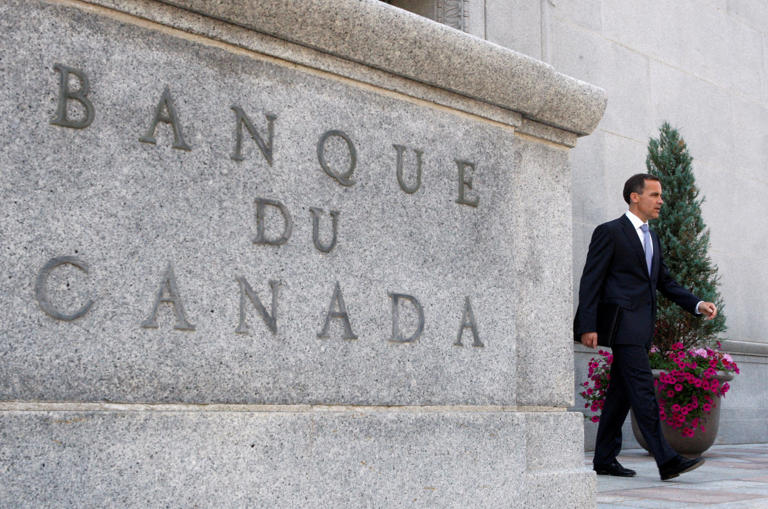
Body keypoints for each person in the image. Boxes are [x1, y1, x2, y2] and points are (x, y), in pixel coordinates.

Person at [574, 173, 718, 481]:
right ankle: (666, 459)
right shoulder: (610, 232)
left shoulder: (652, 237)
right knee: (642, 391)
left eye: (660, 195)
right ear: (634, 197)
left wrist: (696, 303)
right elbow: (591, 280)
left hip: (642, 327)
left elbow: (664, 281)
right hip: (622, 326)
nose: (661, 201)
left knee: (621, 394)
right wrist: (588, 324)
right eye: (654, 195)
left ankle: (604, 458)